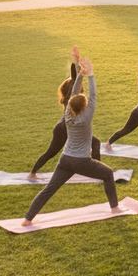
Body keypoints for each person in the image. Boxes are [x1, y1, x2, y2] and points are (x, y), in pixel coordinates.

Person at [22, 56, 121, 224]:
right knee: (108, 174)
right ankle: (115, 208)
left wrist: (81, 74)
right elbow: (94, 95)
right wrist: (91, 74)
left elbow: (74, 93)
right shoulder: (86, 118)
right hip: (82, 162)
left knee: (49, 189)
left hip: (65, 160)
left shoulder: (68, 113)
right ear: (84, 107)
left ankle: (27, 219)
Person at [28, 46, 102, 180]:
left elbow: (77, 75)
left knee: (95, 143)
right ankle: (32, 172)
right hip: (64, 128)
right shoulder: (73, 96)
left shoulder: (72, 96)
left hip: (66, 126)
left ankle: (97, 171)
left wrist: (77, 60)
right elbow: (76, 76)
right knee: (52, 152)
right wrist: (76, 60)